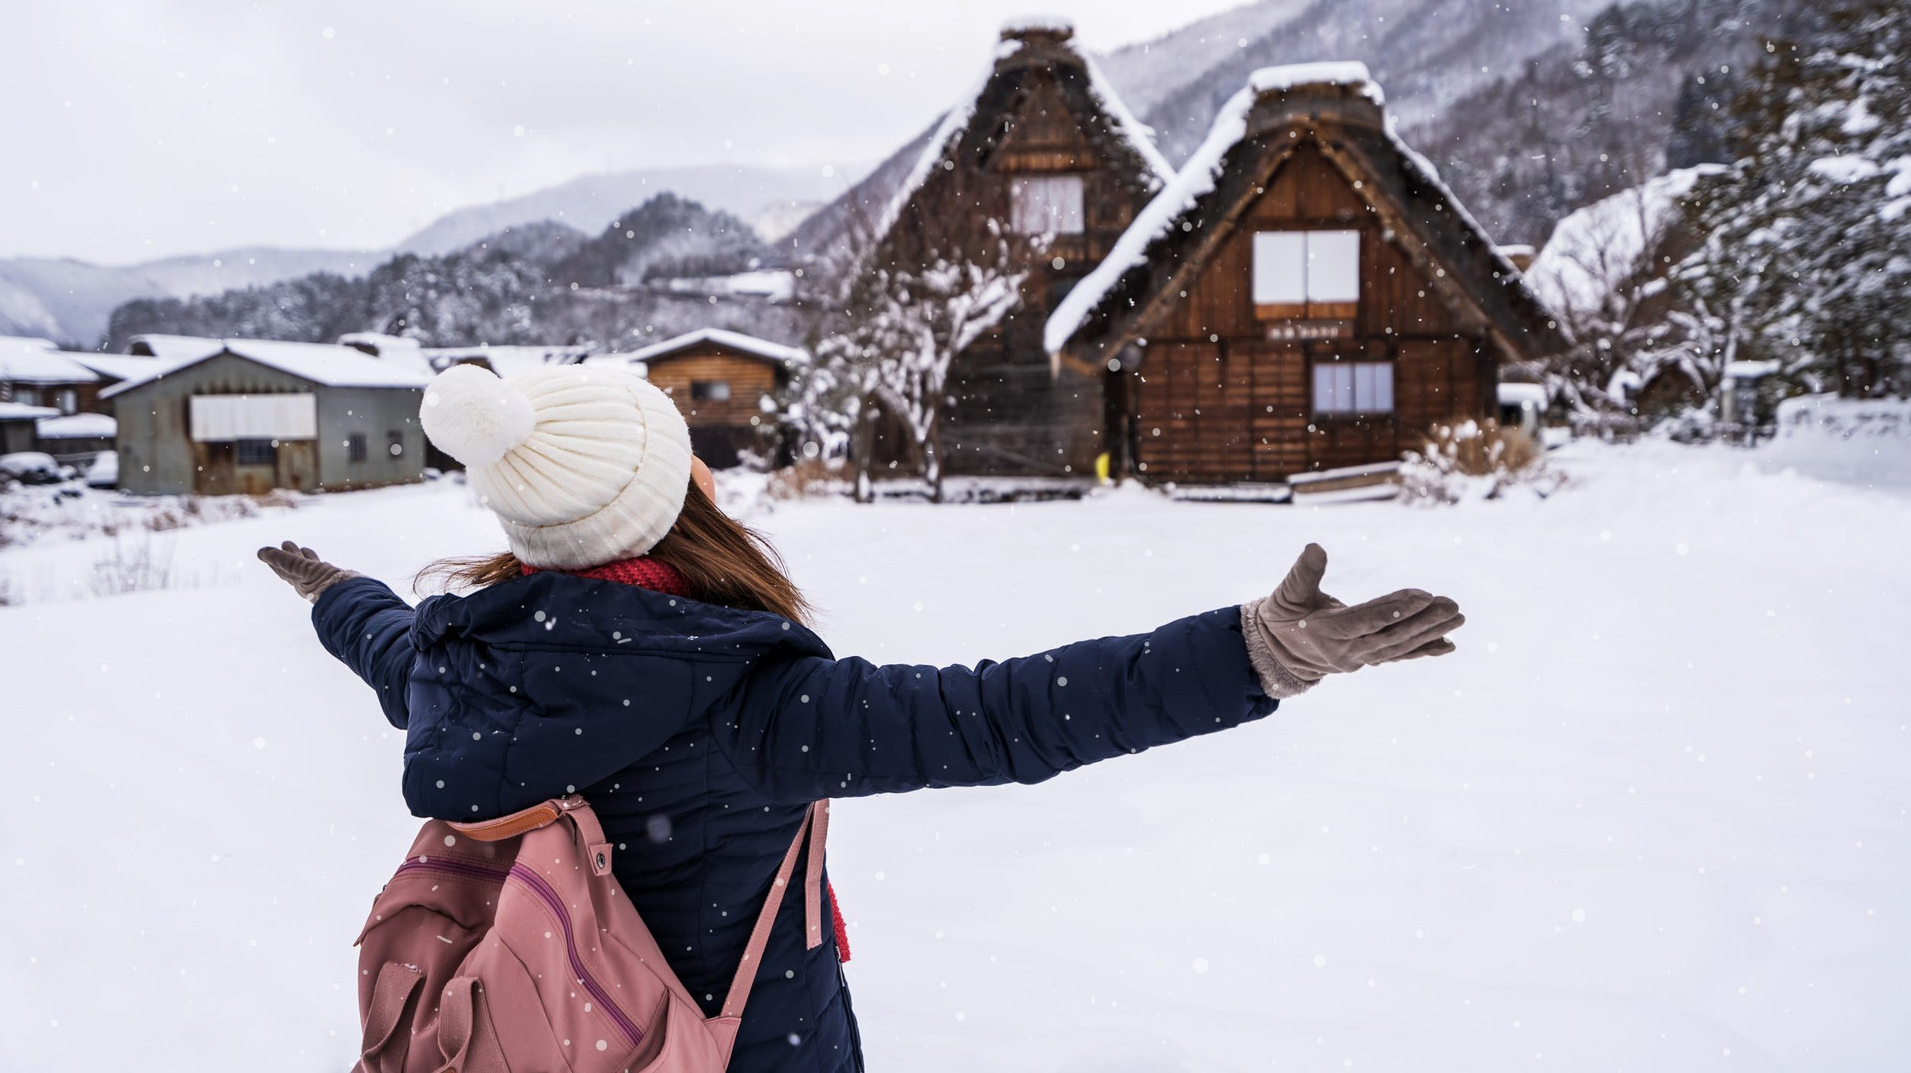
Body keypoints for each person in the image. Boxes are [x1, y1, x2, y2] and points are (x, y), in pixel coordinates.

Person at [258, 363, 1462, 1073]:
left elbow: (386, 641)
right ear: (686, 497)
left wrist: (335, 594)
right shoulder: (750, 706)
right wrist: (1248, 653)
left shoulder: (462, 663)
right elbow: (1006, 715)